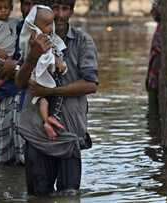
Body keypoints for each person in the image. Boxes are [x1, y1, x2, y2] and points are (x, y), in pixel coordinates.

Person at [16, 0, 98, 196]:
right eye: (55, 8)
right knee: (37, 195)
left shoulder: (82, 41)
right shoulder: (31, 39)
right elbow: (19, 83)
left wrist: (50, 92)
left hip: (68, 131)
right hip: (37, 132)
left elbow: (90, 84)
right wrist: (33, 57)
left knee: (69, 194)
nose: (60, 14)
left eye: (65, 8)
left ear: (71, 11)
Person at [0, 0, 34, 165]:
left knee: (26, 161)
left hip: (28, 103)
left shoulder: (48, 32)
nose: (29, 10)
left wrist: (16, 66)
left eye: (33, 5)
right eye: (26, 4)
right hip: (8, 98)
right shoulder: (17, 28)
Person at [19, 5, 67, 139]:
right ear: (35, 25)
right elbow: (42, 54)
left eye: (51, 24)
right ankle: (46, 121)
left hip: (47, 74)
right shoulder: (35, 38)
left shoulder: (48, 36)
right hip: (37, 74)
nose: (51, 28)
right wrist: (56, 61)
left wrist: (59, 60)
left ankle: (49, 119)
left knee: (49, 98)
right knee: (43, 98)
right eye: (46, 25)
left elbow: (54, 49)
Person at [145, 0, 161, 119]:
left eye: (154, 9)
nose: (152, 12)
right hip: (153, 80)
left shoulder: (164, 30)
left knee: (154, 117)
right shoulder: (160, 29)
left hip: (157, 81)